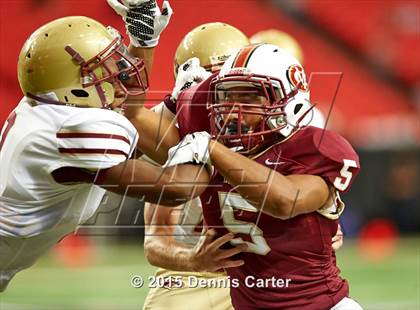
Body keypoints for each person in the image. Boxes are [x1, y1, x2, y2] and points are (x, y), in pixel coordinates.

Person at [0, 1, 209, 292]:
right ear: (75, 86)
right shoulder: (68, 130)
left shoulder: (55, 106)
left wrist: (143, 39)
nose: (122, 72)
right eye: (106, 68)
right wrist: (206, 134)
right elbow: (177, 188)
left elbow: (131, 120)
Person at [141, 24, 345, 309]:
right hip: (200, 275)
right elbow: (155, 241)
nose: (229, 99)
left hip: (271, 272)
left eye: (240, 87)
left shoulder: (285, 126)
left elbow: (300, 198)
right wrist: (192, 259)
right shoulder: (171, 133)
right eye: (213, 82)